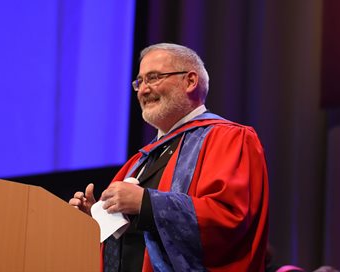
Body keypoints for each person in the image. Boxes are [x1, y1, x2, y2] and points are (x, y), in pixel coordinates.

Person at [69, 43, 269, 271]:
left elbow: (231, 219)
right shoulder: (137, 162)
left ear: (190, 81)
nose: (143, 90)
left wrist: (146, 204)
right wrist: (98, 220)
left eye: (153, 77)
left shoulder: (229, 138)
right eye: (139, 82)